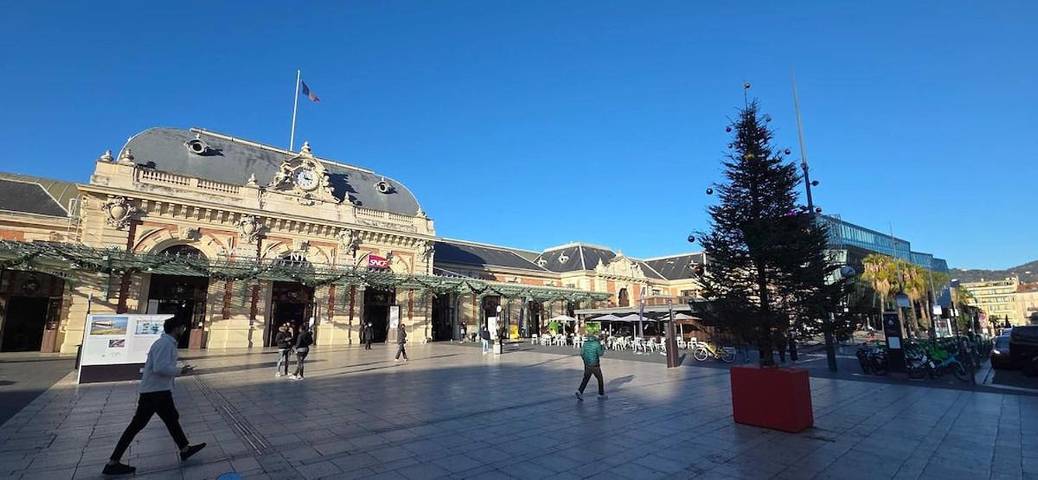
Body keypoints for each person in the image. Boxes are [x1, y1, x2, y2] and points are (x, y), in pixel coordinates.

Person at [103, 318, 206, 476]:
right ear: (176, 329)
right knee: (137, 425)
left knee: (172, 419)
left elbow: (162, 366)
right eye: (182, 327)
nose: (183, 330)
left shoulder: (167, 343)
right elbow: (159, 368)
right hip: (154, 393)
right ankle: (113, 462)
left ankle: (185, 448)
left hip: (159, 390)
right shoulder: (165, 344)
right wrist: (180, 371)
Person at [575, 333, 607, 401]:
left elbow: (582, 353)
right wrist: (602, 346)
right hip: (595, 364)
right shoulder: (596, 344)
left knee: (586, 378)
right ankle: (601, 394)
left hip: (587, 364)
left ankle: (579, 391)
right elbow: (600, 353)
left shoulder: (585, 343)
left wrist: (585, 360)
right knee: (600, 379)